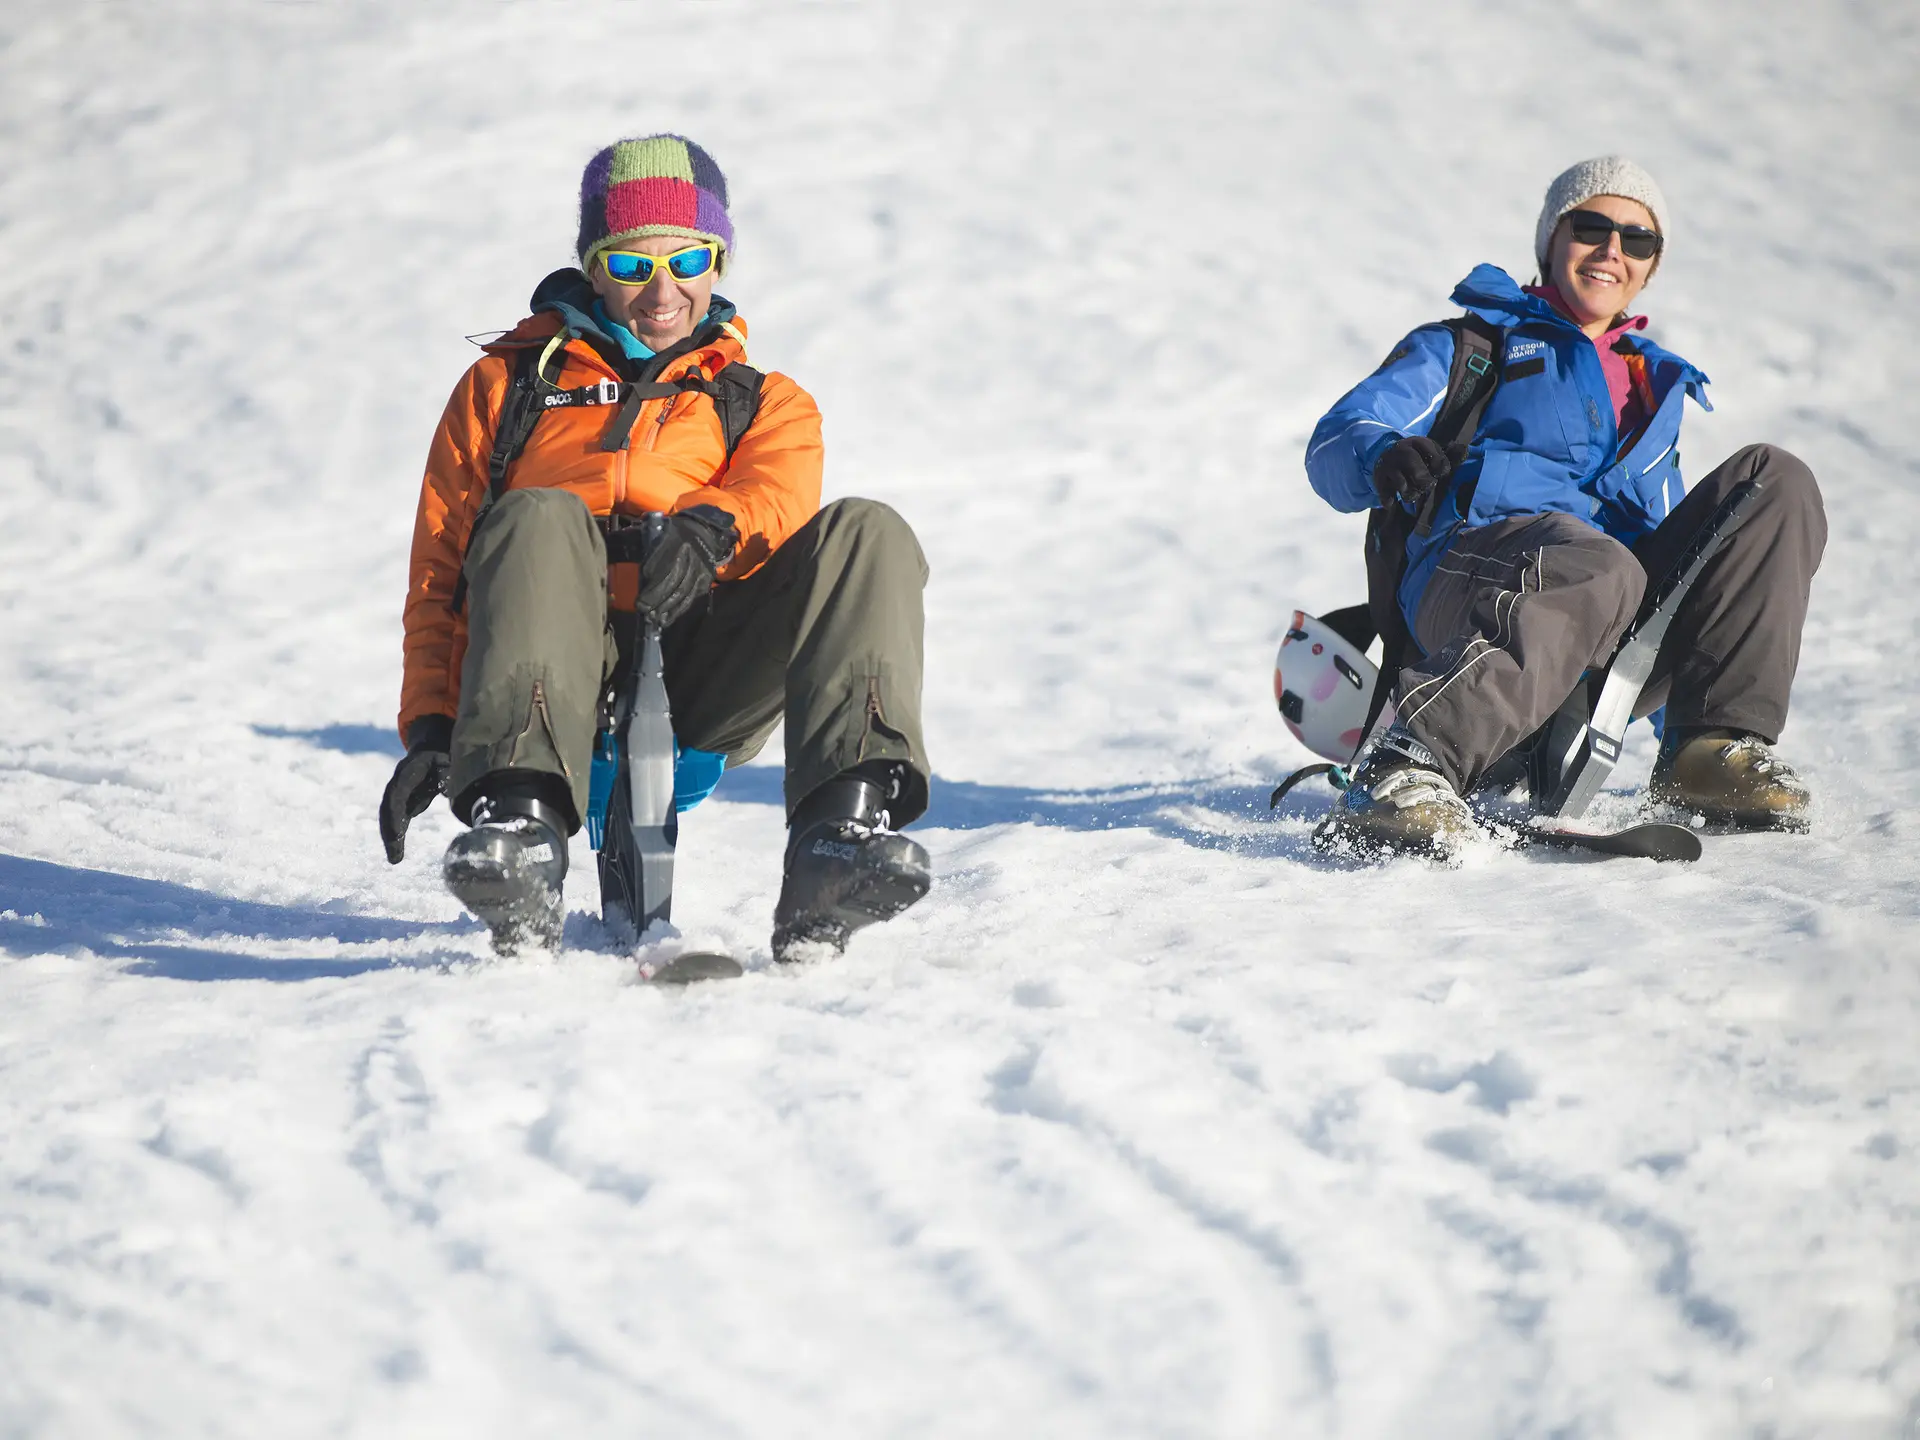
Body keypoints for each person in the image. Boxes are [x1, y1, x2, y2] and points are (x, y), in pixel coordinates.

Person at [378, 134, 932, 956]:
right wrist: (431, 723)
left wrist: (713, 526)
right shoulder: (508, 388)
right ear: (594, 267)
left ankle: (839, 840)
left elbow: (777, 498)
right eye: (633, 265)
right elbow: (443, 564)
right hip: (549, 659)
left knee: (869, 532)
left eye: (689, 261)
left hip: (703, 656)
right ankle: (523, 833)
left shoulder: (762, 402)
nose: (663, 291)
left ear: (720, 261)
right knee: (536, 515)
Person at [1305, 156, 1826, 855]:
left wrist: (1683, 689)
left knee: (1774, 479)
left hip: (1604, 600)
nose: (1613, 249)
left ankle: (1710, 750)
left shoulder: (1655, 388)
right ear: (1552, 240)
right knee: (1599, 563)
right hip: (1476, 575)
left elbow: (1691, 574)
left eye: (1637, 239)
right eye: (1591, 227)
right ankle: (1409, 763)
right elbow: (1340, 436)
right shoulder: (1473, 346)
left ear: (1651, 265)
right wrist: (1383, 456)